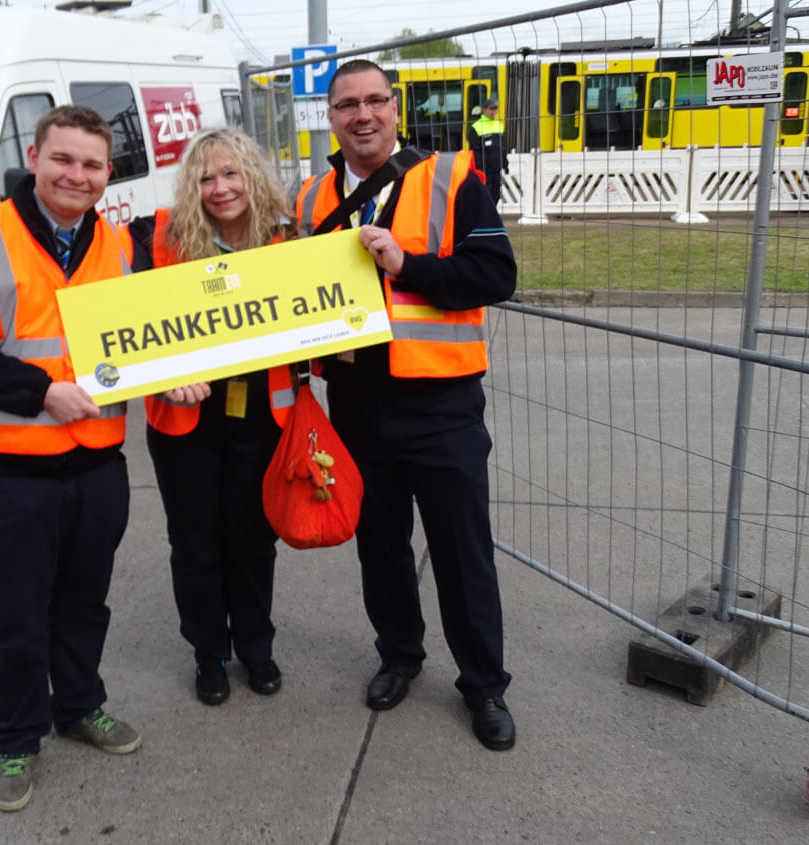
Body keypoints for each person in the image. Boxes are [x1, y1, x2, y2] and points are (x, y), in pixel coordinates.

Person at [0, 104, 146, 813]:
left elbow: (135, 341)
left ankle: (80, 704)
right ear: (35, 155)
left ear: (107, 173)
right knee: (18, 613)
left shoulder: (117, 244)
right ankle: (18, 737)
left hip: (96, 462)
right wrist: (38, 392)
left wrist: (174, 371)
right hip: (9, 465)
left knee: (84, 602)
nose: (76, 175)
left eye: (91, 165)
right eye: (63, 160)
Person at [295, 59, 518, 751]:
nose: (361, 115)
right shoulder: (310, 199)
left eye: (374, 102)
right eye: (346, 106)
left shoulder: (451, 179)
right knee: (380, 548)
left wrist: (407, 265)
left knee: (462, 555)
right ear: (329, 117)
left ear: (396, 108)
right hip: (357, 407)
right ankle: (400, 655)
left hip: (442, 406)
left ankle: (484, 685)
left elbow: (496, 274)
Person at [126, 128, 298, 706]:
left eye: (231, 174)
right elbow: (123, 329)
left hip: (261, 419)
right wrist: (162, 376)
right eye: (206, 178)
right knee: (196, 546)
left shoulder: (288, 237)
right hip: (185, 425)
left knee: (253, 542)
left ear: (253, 176)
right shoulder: (159, 239)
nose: (221, 188)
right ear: (189, 187)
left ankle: (256, 646)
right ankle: (208, 654)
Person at [467, 97, 508, 207]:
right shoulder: (476, 127)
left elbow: (502, 147)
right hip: (484, 170)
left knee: (496, 195)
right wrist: (479, 168)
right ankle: (485, 219)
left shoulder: (499, 125)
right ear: (484, 110)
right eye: (491, 109)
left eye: (495, 109)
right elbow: (475, 151)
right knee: (485, 195)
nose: (493, 112)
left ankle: (491, 217)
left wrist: (505, 163)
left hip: (496, 168)